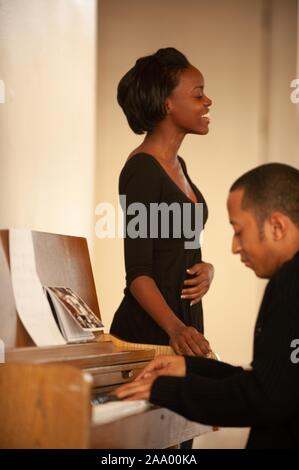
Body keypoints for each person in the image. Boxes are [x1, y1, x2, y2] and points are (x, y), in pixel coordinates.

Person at [114, 163, 299, 449]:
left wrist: (164, 388)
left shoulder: (289, 284)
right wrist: (189, 368)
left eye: (239, 231)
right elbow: (273, 382)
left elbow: (263, 399)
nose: (235, 247)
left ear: (276, 226)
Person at [110, 47, 214, 357]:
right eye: (198, 95)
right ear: (168, 104)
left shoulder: (178, 164)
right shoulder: (142, 170)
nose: (207, 101)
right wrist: (176, 329)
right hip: (149, 337)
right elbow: (138, 274)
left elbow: (177, 251)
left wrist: (207, 270)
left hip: (182, 333)